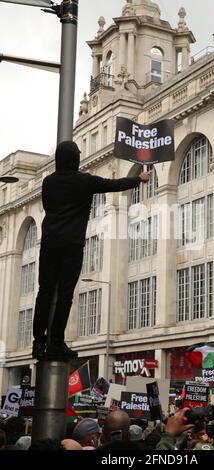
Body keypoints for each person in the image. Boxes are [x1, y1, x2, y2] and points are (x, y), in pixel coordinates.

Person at [32, 141, 149, 360]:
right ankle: (56, 341)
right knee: (65, 293)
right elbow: (113, 184)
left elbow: (49, 206)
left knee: (45, 292)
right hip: (71, 244)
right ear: (75, 159)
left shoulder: (48, 182)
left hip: (49, 243)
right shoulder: (83, 181)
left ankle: (38, 342)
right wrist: (138, 179)